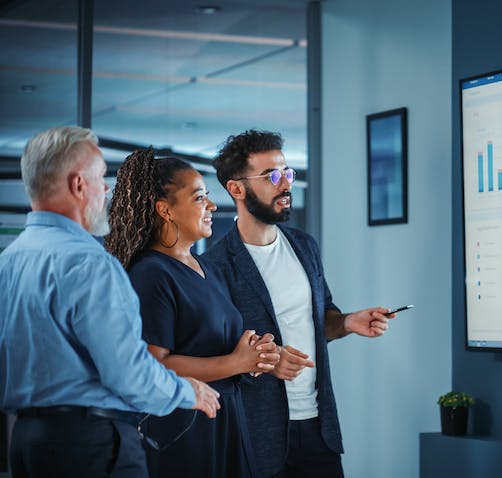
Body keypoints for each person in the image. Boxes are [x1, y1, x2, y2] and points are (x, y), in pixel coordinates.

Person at [0, 126, 221, 478]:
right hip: (91, 446)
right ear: (78, 185)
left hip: (26, 443)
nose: (105, 190)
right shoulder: (89, 262)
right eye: (101, 177)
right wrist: (186, 391)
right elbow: (127, 372)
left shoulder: (10, 260)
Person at [203, 129, 395, 478]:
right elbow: (215, 355)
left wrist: (348, 322)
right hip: (257, 435)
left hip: (319, 429)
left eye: (287, 173)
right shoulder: (215, 267)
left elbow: (321, 320)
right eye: (272, 176)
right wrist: (266, 362)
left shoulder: (304, 246)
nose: (285, 184)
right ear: (236, 188)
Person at [105, 148, 281, 478]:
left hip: (226, 419)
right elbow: (153, 364)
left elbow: (212, 344)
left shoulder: (205, 268)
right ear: (165, 210)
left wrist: (255, 357)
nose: (212, 206)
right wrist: (235, 362)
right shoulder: (151, 274)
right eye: (199, 198)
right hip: (185, 431)